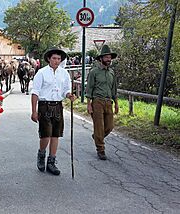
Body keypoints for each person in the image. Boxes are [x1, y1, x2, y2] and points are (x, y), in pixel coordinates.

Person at [31, 47, 76, 175]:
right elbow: (35, 92)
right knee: (46, 134)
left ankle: (51, 162)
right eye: (54, 58)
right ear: (49, 59)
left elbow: (66, 90)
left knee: (56, 134)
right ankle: (41, 154)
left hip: (58, 105)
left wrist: (69, 95)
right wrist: (34, 111)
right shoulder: (41, 73)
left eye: (59, 59)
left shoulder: (64, 74)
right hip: (44, 105)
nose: (57, 61)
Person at [86, 44, 119, 160]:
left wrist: (116, 103)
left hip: (108, 102)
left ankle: (97, 137)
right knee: (99, 126)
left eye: (110, 57)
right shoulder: (94, 72)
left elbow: (114, 89)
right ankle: (101, 149)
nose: (109, 60)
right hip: (97, 102)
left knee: (110, 126)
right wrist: (89, 104)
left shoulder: (112, 73)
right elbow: (89, 89)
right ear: (101, 59)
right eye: (106, 57)